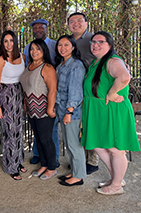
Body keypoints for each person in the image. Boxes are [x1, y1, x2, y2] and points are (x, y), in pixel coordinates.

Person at [81, 31, 140, 195]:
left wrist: (112, 93)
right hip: (98, 110)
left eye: (100, 42)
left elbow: (124, 77)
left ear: (110, 44)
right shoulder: (97, 62)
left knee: (115, 149)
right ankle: (117, 178)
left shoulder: (113, 61)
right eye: (93, 42)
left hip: (111, 110)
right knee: (99, 146)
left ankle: (116, 186)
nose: (95, 45)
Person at [23, 18, 60, 167]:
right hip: (33, 99)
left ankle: (53, 159)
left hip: (46, 96)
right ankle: (39, 156)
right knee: (38, 133)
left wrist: (51, 106)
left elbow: (53, 84)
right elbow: (28, 67)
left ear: (46, 28)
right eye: (35, 28)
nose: (38, 30)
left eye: (41, 27)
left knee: (50, 132)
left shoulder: (55, 45)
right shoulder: (28, 47)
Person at [20, 39, 57, 181]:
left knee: (46, 139)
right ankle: (44, 164)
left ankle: (52, 168)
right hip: (31, 109)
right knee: (39, 138)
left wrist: (49, 109)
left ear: (44, 51)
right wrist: (25, 103)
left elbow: (53, 90)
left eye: (38, 49)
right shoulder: (29, 65)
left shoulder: (47, 67)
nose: (34, 51)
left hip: (44, 109)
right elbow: (26, 87)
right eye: (32, 49)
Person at [68, 12, 99, 175]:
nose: (76, 24)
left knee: (90, 124)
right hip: (75, 89)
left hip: (91, 89)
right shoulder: (68, 41)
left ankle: (92, 161)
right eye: (72, 21)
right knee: (78, 125)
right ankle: (79, 158)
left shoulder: (94, 39)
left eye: (79, 21)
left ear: (86, 23)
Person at [54, 35, 86, 186]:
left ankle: (79, 176)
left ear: (73, 47)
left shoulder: (76, 66)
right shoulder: (61, 65)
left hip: (71, 112)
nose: (62, 48)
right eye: (60, 45)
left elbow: (75, 92)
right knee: (68, 143)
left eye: (66, 45)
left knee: (74, 144)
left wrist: (69, 112)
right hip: (62, 109)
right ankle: (74, 170)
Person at [0, 30, 26, 180]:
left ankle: (18, 160)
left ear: (15, 41)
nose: (8, 44)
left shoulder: (22, 57)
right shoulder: (0, 59)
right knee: (9, 131)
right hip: (5, 95)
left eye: (11, 40)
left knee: (19, 129)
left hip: (19, 94)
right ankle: (10, 166)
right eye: (5, 41)